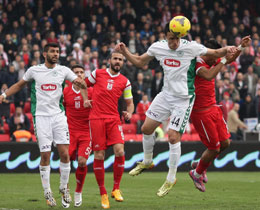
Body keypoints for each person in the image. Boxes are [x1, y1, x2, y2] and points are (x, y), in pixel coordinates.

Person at [115, 19, 236, 197]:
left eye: (178, 39)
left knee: (173, 136)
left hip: (183, 99)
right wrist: (125, 51)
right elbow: (141, 62)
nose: (175, 42)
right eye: (172, 39)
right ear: (166, 36)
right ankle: (148, 161)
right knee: (145, 128)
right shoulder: (158, 47)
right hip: (166, 95)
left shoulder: (190, 47)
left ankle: (171, 178)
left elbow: (216, 51)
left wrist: (231, 48)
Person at [0, 43, 89, 208]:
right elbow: (19, 85)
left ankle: (63, 187)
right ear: (44, 53)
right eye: (52, 51)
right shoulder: (34, 71)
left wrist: (84, 90)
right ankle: (47, 191)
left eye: (57, 52)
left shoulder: (63, 70)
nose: (56, 54)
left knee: (64, 154)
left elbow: (79, 81)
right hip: (41, 117)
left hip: (58, 116)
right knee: (46, 156)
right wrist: (4, 94)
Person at [189, 36, 251, 192]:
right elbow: (209, 75)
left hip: (213, 108)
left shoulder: (213, 59)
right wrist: (222, 60)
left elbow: (229, 59)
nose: (216, 60)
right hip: (201, 112)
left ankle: (200, 165)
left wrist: (241, 48)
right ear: (207, 53)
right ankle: (196, 173)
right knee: (214, 148)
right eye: (214, 57)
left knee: (225, 144)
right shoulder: (198, 63)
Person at [85, 51, 134, 209]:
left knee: (120, 151)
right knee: (99, 155)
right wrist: (86, 98)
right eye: (115, 58)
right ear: (110, 60)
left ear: (123, 62)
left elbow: (130, 102)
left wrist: (130, 112)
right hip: (97, 119)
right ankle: (103, 193)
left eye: (120, 59)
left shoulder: (125, 81)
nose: (118, 61)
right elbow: (82, 84)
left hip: (114, 119)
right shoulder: (97, 74)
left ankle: (116, 188)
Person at [63, 64, 93, 207]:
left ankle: (78, 192)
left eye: (82, 72)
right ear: (71, 76)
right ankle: (65, 190)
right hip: (69, 133)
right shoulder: (65, 92)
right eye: (76, 72)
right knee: (66, 161)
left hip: (87, 133)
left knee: (82, 162)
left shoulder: (91, 92)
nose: (79, 74)